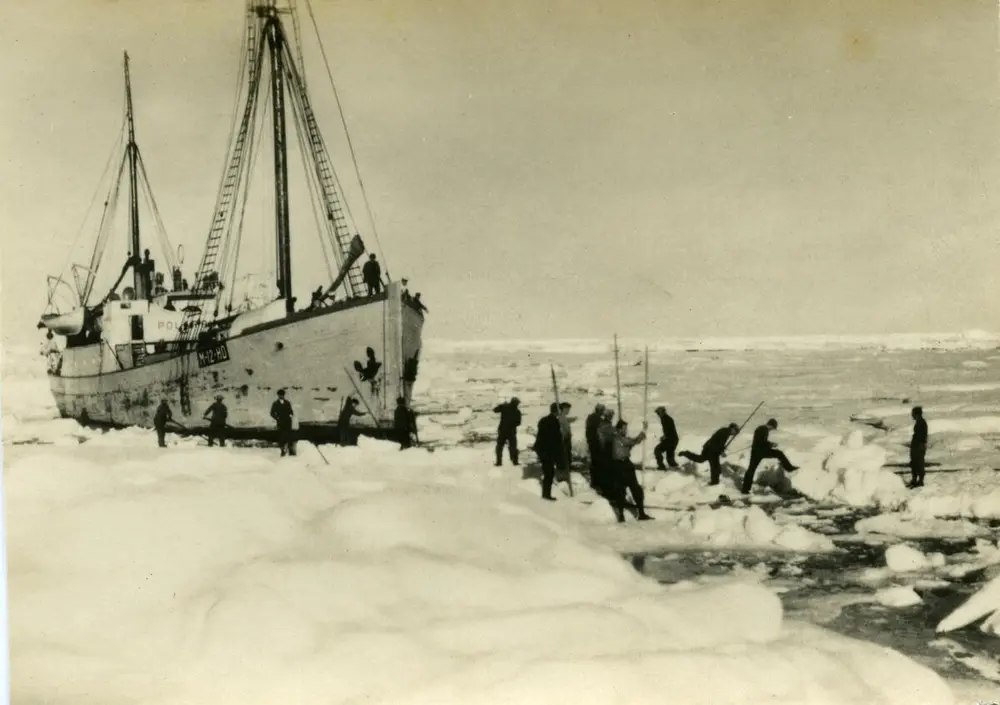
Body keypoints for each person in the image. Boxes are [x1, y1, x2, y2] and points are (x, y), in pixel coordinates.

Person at [608, 419, 652, 522]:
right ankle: (622, 515)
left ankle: (639, 513)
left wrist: (640, 437)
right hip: (621, 466)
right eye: (624, 428)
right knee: (623, 490)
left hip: (625, 465)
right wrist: (643, 432)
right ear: (619, 429)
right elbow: (632, 441)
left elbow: (631, 444)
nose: (625, 430)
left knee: (634, 489)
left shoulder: (620, 438)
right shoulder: (618, 438)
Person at [741, 419, 798, 494]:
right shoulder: (764, 430)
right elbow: (762, 443)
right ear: (771, 425)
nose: (772, 430)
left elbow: (760, 441)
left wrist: (769, 444)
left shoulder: (760, 428)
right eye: (773, 428)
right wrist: (771, 444)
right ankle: (789, 468)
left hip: (755, 452)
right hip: (761, 451)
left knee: (751, 469)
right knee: (779, 453)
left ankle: (745, 489)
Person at [534, 403, 564, 501]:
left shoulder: (544, 420)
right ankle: (546, 495)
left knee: (548, 472)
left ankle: (546, 494)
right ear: (557, 411)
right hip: (548, 451)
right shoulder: (554, 422)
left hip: (542, 449)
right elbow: (555, 439)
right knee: (549, 473)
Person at [493, 397, 522, 466]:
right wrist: (512, 424)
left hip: (502, 430)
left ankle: (499, 462)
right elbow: (518, 423)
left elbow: (495, 410)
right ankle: (515, 462)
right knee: (513, 446)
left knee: (499, 446)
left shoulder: (504, 407)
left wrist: (501, 405)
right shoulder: (517, 411)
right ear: (517, 404)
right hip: (512, 431)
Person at [270, 389, 296, 456]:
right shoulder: (275, 404)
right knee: (281, 437)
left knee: (289, 436)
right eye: (280, 395)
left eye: (282, 395)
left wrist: (290, 416)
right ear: (278, 395)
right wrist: (277, 418)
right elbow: (272, 413)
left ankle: (291, 451)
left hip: (288, 422)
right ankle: (282, 450)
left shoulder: (287, 403)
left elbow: (291, 412)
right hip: (280, 422)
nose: (281, 396)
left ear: (284, 395)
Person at [585, 403, 606, 487]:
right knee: (598, 462)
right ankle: (597, 481)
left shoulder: (590, 417)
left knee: (594, 462)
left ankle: (594, 481)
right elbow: (600, 432)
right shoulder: (598, 419)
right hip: (596, 443)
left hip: (591, 442)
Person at [653, 405, 680, 470]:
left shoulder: (665, 419)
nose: (658, 415)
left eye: (658, 413)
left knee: (657, 450)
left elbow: (668, 431)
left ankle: (661, 466)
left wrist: (664, 437)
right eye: (657, 413)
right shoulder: (666, 418)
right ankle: (676, 469)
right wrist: (664, 437)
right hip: (673, 440)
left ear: (663, 412)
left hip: (670, 440)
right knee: (670, 458)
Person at [909, 406, 928, 488]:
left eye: (913, 413)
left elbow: (922, 436)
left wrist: (920, 445)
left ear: (917, 414)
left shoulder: (922, 423)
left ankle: (920, 481)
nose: (912, 415)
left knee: (919, 463)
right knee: (914, 463)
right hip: (916, 446)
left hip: (919, 446)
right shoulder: (919, 422)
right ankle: (914, 480)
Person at [557, 401, 574, 470]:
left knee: (567, 452)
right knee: (566, 453)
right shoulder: (562, 417)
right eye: (568, 409)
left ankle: (567, 466)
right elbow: (562, 428)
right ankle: (567, 467)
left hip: (566, 437)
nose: (569, 411)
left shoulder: (562, 416)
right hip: (565, 438)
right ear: (564, 409)